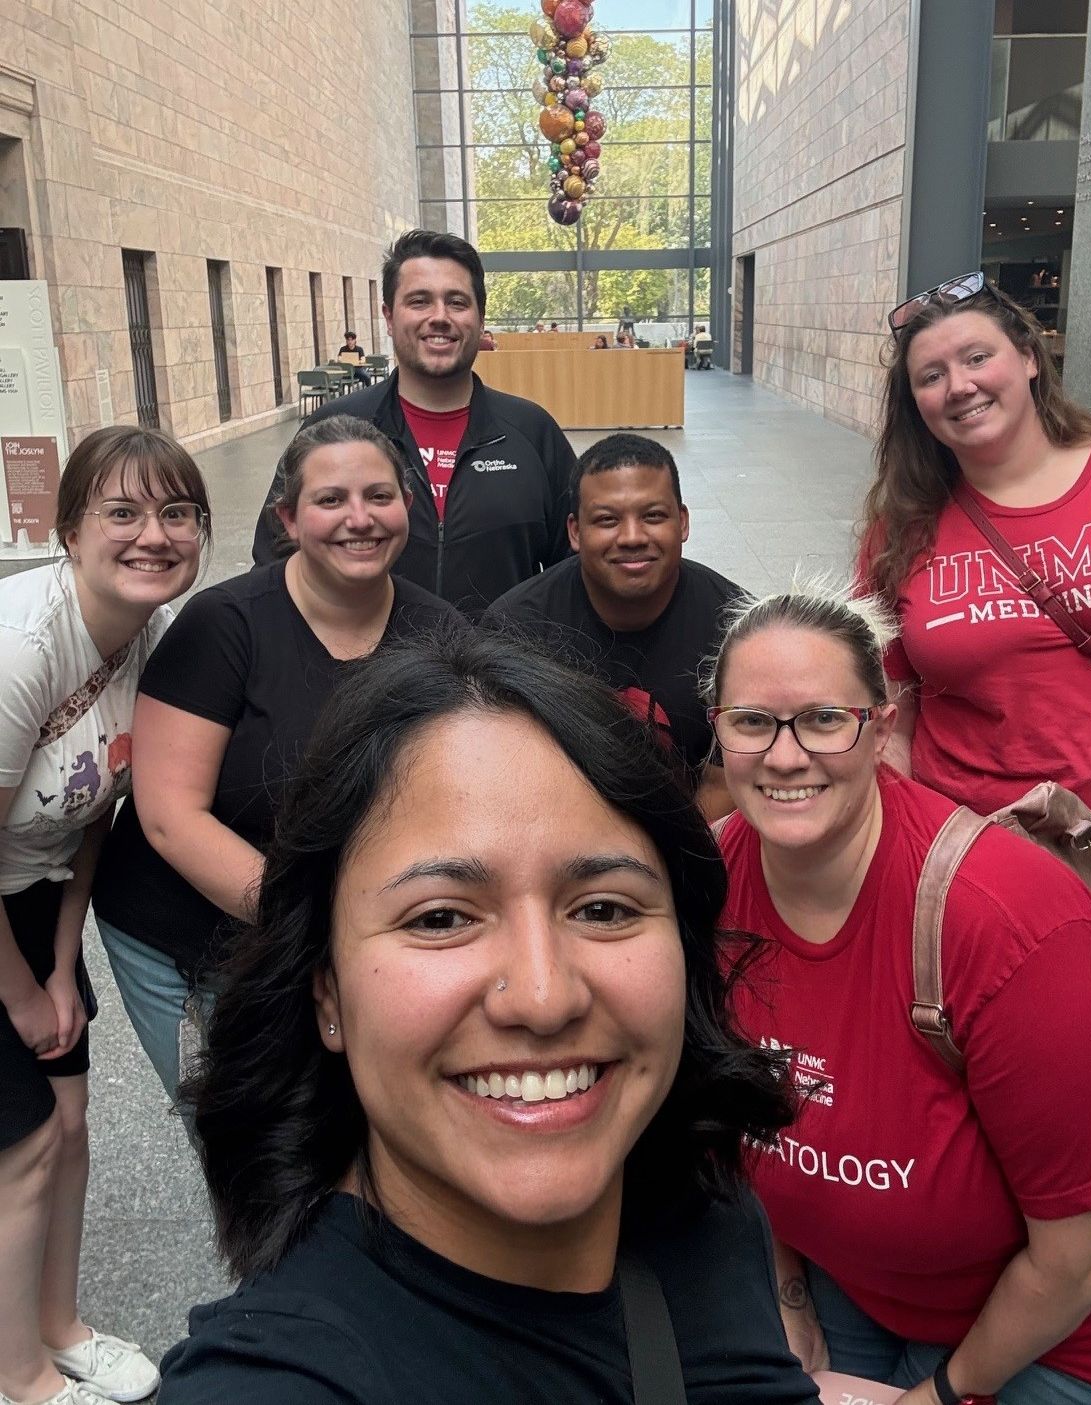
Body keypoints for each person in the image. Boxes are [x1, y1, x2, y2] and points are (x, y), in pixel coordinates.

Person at [156, 628, 818, 1405]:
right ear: (326, 990)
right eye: (441, 918)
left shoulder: (708, 1211)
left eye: (603, 908)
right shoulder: (274, 1379)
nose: (543, 996)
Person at [707, 581, 1091, 1405]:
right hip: (864, 1283)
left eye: (823, 719)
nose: (784, 755)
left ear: (882, 729)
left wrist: (942, 1395)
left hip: (1076, 1327)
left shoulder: (1007, 922)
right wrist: (786, 1290)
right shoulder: (704, 884)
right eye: (752, 721)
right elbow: (729, 1113)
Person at [92, 417, 459, 1104]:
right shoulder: (224, 626)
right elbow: (171, 818)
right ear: (288, 519)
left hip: (345, 934)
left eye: (379, 496)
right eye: (330, 499)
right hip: (191, 934)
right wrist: (320, 925)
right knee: (243, 1127)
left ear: (408, 506)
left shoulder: (440, 632)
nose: (359, 518)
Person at [0, 425, 210, 1405]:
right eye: (121, 512)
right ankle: (19, 1378)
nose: (152, 534)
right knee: (26, 1144)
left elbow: (99, 811)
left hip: (33, 899)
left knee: (73, 1123)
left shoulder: (143, 641)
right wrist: (19, 992)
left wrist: (57, 962)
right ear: (70, 531)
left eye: (176, 512)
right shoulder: (24, 649)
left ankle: (58, 1327)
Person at [858, 271, 1091, 869]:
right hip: (983, 860)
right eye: (931, 376)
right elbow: (893, 714)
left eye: (977, 357)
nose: (959, 386)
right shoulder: (899, 534)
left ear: (1028, 358)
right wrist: (909, 852)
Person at [252, 231, 577, 614]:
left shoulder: (533, 434)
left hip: (501, 654)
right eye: (419, 301)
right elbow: (274, 566)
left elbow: (576, 572)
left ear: (480, 318)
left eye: (457, 302)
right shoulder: (331, 430)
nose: (439, 317)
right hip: (361, 655)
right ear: (389, 316)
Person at [487, 435, 744, 820]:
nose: (632, 537)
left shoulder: (737, 630)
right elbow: (502, 773)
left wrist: (672, 855)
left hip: (694, 837)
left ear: (683, 522)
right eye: (607, 520)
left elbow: (725, 782)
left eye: (653, 516)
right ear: (575, 532)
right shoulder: (515, 627)